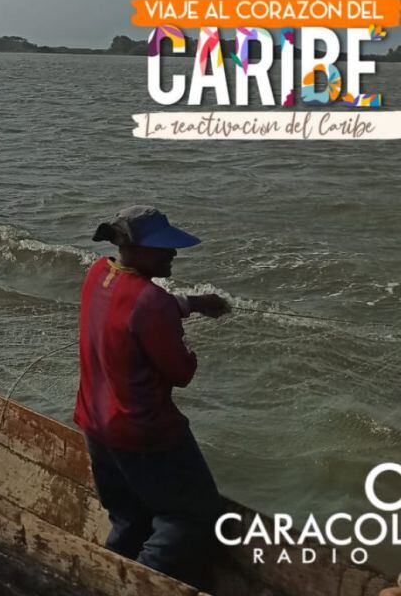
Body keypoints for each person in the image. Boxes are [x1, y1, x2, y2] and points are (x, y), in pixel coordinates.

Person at [74, 205, 231, 589]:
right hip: (144, 433)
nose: (172, 253)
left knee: (129, 518)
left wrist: (192, 303)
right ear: (136, 249)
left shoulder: (98, 273)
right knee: (190, 517)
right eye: (162, 248)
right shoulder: (152, 304)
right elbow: (181, 372)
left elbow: (135, 303)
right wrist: (186, 344)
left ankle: (104, 582)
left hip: (96, 425)